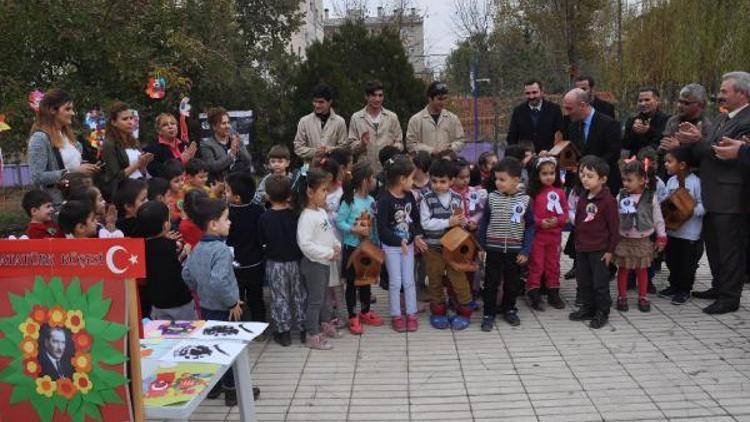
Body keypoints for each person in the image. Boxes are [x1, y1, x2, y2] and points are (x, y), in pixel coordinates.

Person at [676, 72, 750, 314]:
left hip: (731, 197)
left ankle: (730, 298)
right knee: (715, 247)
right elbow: (706, 152)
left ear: (742, 93)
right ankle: (718, 287)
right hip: (711, 194)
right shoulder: (722, 119)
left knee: (730, 250)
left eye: (725, 90)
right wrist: (688, 142)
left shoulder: (747, 120)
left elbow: (723, 151)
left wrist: (700, 141)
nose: (720, 95)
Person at [181, 197, 246, 406]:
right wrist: (231, 302)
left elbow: (187, 273)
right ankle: (232, 391)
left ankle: (214, 387)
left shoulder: (198, 246)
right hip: (224, 309)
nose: (230, 223)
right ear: (213, 224)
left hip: (206, 307)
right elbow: (219, 281)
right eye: (226, 219)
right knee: (228, 348)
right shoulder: (221, 250)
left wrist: (200, 289)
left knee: (211, 346)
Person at [478, 157, 535, 331]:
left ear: (516, 180)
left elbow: (531, 226)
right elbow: (484, 222)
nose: (498, 182)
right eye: (496, 179)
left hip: (514, 251)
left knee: (512, 283)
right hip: (493, 250)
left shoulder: (525, 200)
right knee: (490, 283)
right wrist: (481, 246)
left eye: (502, 179)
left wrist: (525, 250)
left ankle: (509, 309)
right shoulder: (492, 198)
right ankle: (488, 313)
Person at [418, 159, 472, 330]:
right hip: (433, 248)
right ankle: (438, 311)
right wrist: (449, 221)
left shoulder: (457, 198)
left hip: (454, 248)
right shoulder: (426, 199)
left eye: (443, 181)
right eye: (434, 181)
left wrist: (464, 223)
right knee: (434, 279)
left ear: (451, 181)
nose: (438, 185)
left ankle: (464, 311)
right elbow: (425, 224)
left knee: (458, 278)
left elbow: (460, 220)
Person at [377, 155, 428, 332]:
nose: (413, 182)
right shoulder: (384, 200)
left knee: (409, 280)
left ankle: (411, 313)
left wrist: (417, 236)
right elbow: (382, 230)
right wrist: (399, 241)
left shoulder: (409, 197)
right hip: (392, 247)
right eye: (412, 178)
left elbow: (414, 220)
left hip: (408, 246)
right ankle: (396, 315)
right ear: (401, 179)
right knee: (395, 282)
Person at [568, 156, 619, 329]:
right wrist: (577, 243)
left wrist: (610, 251)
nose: (584, 179)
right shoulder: (583, 196)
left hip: (599, 249)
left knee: (600, 283)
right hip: (582, 248)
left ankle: (602, 311)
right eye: (583, 175)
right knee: (584, 281)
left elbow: (614, 228)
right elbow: (579, 222)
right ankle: (588, 308)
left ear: (602, 179)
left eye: (590, 176)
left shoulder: (608, 201)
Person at [296, 168, 343, 349]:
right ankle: (312, 335)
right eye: (323, 190)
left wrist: (336, 245)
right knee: (315, 300)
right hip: (314, 264)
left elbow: (328, 233)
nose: (326, 193)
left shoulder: (321, 212)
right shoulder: (306, 217)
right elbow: (305, 245)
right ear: (310, 192)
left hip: (324, 263)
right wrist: (328, 253)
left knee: (324, 297)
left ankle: (325, 325)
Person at [28, 89, 100, 207]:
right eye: (67, 109)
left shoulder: (68, 136)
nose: (72, 113)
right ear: (52, 110)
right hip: (58, 205)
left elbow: (73, 164)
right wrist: (73, 171)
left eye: (72, 109)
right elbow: (37, 177)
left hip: (79, 199)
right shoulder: (40, 138)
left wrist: (88, 167)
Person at [335, 161, 384, 335]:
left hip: (368, 248)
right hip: (352, 248)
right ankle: (352, 316)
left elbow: (375, 225)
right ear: (365, 181)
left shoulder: (371, 200)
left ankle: (365, 311)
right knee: (352, 283)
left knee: (367, 280)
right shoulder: (349, 201)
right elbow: (339, 221)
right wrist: (354, 229)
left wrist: (377, 244)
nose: (374, 182)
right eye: (372, 178)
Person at [613, 159, 667, 313]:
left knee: (641, 270)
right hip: (625, 239)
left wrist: (661, 237)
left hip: (643, 240)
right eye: (624, 179)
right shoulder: (621, 196)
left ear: (643, 179)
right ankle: (622, 297)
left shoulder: (651, 197)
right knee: (623, 269)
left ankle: (643, 296)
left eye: (630, 180)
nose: (626, 183)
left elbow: (658, 219)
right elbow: (615, 217)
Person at [258, 175, 306, 347]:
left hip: (274, 263)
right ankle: (303, 328)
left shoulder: (265, 218)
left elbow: (261, 241)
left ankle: (283, 331)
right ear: (288, 195)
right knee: (299, 294)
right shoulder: (295, 215)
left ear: (268, 197)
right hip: (295, 261)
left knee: (279, 296)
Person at [660, 146, 704, 305]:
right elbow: (665, 200)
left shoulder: (696, 182)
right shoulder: (671, 181)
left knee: (686, 263)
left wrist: (691, 211)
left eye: (669, 161)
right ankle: (674, 285)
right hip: (673, 232)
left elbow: (703, 205)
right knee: (672, 260)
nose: (665, 164)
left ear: (682, 165)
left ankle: (684, 290)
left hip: (689, 233)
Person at [138, 200, 196, 320]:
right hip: (181, 301)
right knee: (187, 332)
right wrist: (188, 252)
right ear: (166, 225)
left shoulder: (139, 250)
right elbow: (188, 270)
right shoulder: (176, 246)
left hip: (158, 303)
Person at [526, 157, 568, 310]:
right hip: (538, 237)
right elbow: (529, 215)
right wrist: (540, 222)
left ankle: (553, 292)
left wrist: (557, 221)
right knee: (536, 264)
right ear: (537, 175)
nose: (549, 176)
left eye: (552, 173)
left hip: (554, 237)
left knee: (553, 264)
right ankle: (533, 292)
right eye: (545, 174)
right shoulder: (533, 194)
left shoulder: (560, 193)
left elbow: (564, 214)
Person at [562, 88, 623, 194]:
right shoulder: (572, 126)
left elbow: (614, 153)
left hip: (606, 185)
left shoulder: (609, 124)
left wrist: (592, 168)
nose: (567, 113)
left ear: (582, 105)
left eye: (569, 108)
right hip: (582, 186)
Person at [225, 172, 266, 323]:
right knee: (256, 297)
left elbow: (226, 238)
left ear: (237, 198)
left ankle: (238, 325)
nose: (225, 193)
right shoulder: (259, 210)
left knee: (237, 298)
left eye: (227, 190)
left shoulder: (226, 214)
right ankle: (259, 324)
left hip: (235, 265)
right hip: (256, 263)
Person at [348, 80, 404, 172]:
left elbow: (401, 143)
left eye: (380, 95)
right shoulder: (356, 118)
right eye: (373, 95)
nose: (377, 99)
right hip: (365, 171)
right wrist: (362, 144)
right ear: (366, 97)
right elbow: (351, 147)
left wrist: (394, 147)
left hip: (387, 169)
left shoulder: (392, 117)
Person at [101, 102, 153, 200]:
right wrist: (138, 164)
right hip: (124, 193)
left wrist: (144, 163)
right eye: (125, 119)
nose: (130, 122)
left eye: (131, 118)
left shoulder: (134, 141)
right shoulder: (109, 144)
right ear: (114, 122)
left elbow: (140, 170)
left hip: (141, 186)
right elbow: (115, 177)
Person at [406, 81, 465, 155]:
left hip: (447, 162)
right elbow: (411, 144)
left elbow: (460, 140)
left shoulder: (453, 118)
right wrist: (431, 151)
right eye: (439, 99)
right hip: (425, 164)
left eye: (445, 98)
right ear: (430, 99)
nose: (443, 102)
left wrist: (451, 147)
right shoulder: (416, 120)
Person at [507, 79, 565, 153]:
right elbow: (512, 137)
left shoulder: (554, 109)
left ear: (542, 92)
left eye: (534, 92)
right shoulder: (518, 111)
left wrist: (551, 151)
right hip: (526, 157)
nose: (531, 96)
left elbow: (560, 134)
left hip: (548, 155)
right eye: (528, 93)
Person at [293, 84, 348, 162]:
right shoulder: (304, 121)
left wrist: (328, 150)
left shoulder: (340, 122)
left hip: (331, 169)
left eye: (321, 102)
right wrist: (316, 152)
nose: (317, 105)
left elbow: (344, 148)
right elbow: (298, 148)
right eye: (315, 102)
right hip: (308, 168)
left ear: (330, 102)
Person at [200, 107, 252, 183]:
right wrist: (231, 155)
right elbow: (212, 167)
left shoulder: (236, 140)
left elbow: (247, 161)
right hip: (219, 186)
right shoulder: (207, 145)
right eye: (223, 123)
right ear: (214, 127)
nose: (228, 126)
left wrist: (239, 148)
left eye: (228, 122)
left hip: (239, 184)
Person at [144, 113, 197, 178]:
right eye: (165, 125)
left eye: (172, 123)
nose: (170, 127)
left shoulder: (184, 144)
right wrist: (180, 160)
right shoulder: (152, 149)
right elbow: (156, 172)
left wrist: (192, 162)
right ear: (159, 131)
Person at [623, 87, 669, 157]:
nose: (643, 104)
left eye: (647, 100)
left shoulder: (666, 120)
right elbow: (626, 145)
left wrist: (648, 131)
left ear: (657, 101)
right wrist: (634, 132)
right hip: (636, 163)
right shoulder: (632, 121)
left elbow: (662, 143)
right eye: (640, 101)